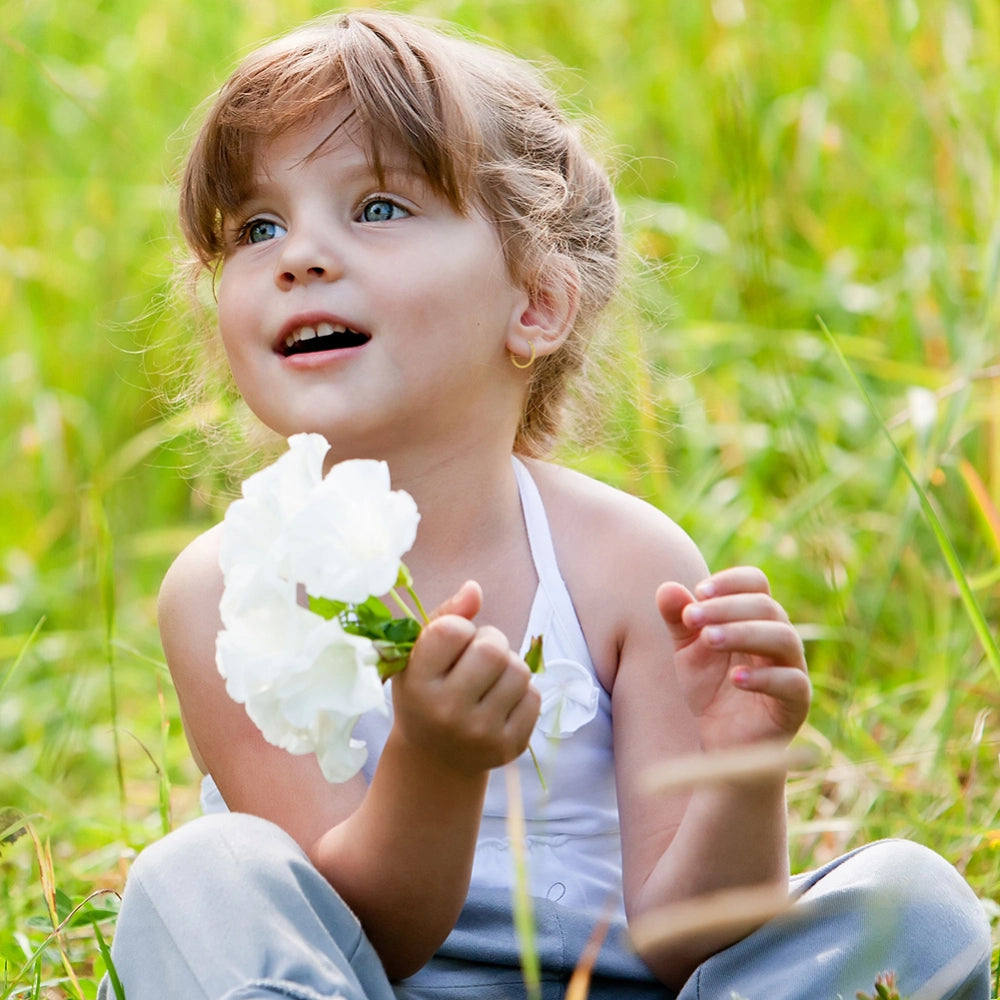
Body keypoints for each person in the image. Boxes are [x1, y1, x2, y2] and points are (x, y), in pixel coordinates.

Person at [102, 10, 991, 1000]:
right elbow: (363, 935)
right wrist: (433, 763)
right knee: (199, 876)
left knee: (912, 903)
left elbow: (687, 940)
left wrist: (741, 765)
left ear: (534, 303)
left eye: (378, 207)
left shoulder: (623, 563)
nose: (296, 254)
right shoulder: (228, 588)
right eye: (255, 228)